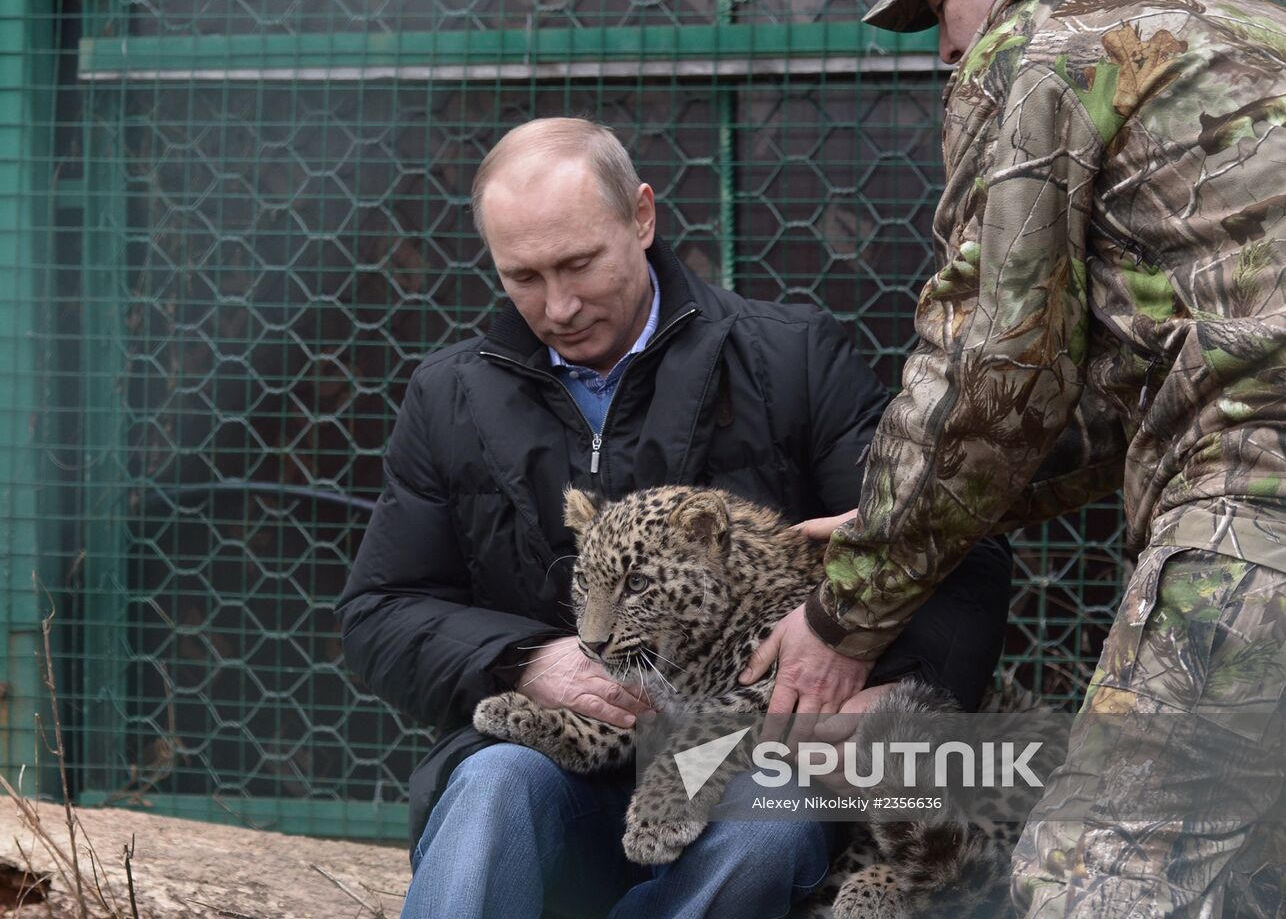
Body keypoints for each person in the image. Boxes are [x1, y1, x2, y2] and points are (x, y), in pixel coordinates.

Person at [337, 117, 1014, 919]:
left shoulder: (790, 358)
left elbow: (953, 546)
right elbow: (380, 610)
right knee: (489, 789)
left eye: (579, 263)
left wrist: (876, 673)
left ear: (643, 217)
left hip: (752, 756)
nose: (556, 305)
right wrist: (525, 660)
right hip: (562, 754)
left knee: (762, 833)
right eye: (521, 276)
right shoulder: (449, 396)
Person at [747, 0, 1286, 915]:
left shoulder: (1044, 45)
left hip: (1253, 506)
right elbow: (1140, 374)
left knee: (1093, 878)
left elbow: (993, 369)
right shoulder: (1250, 31)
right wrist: (902, 528)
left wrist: (848, 607)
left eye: (940, 13)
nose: (944, 51)